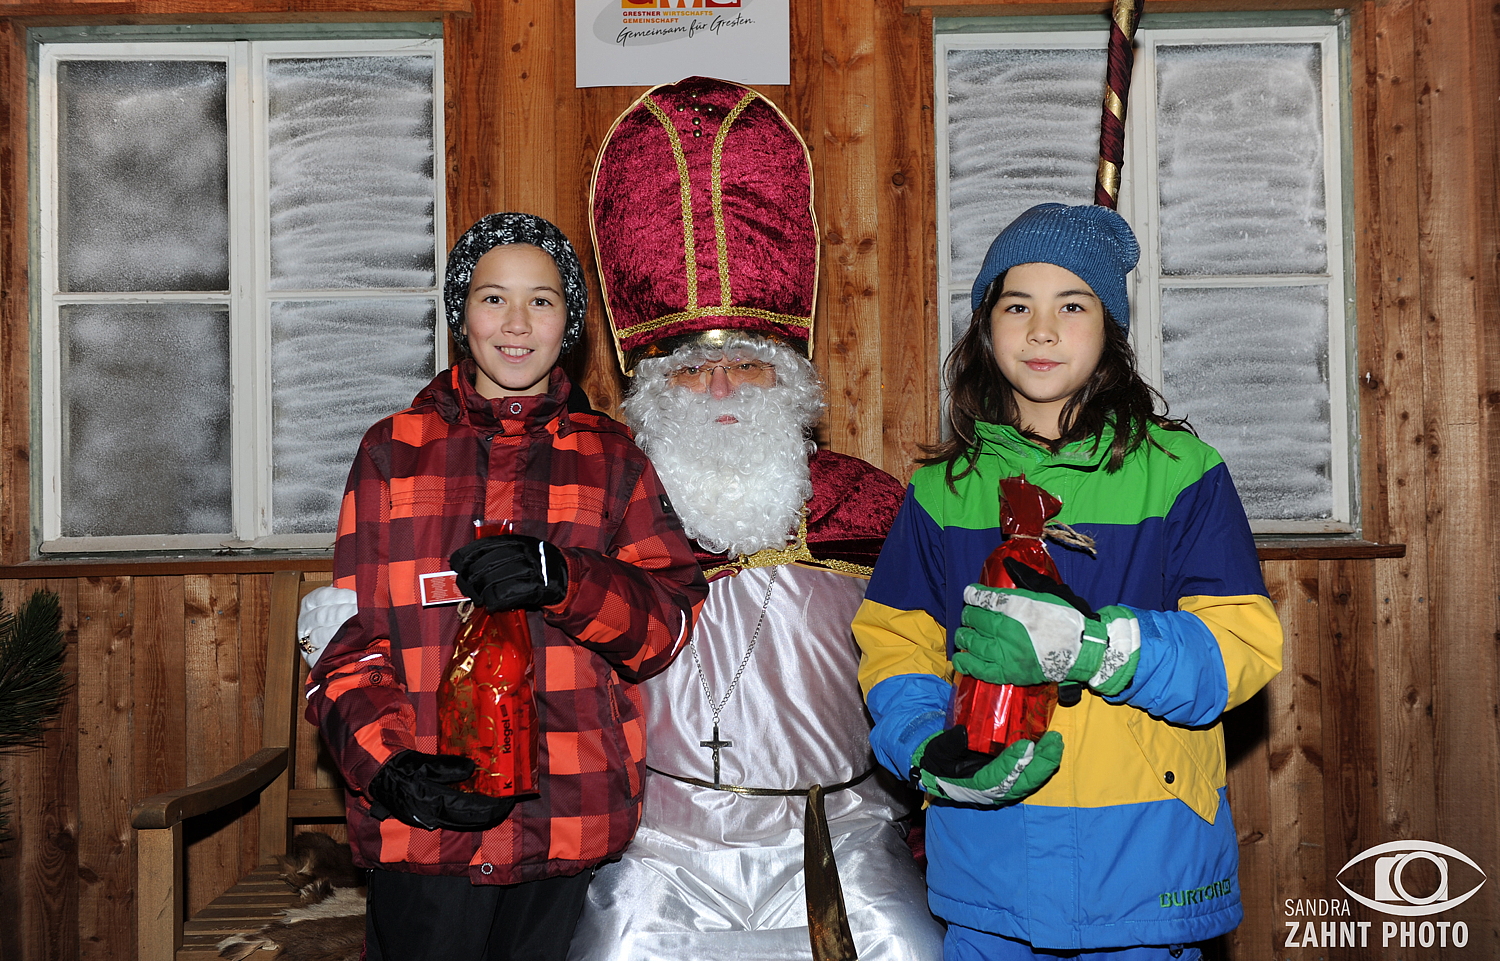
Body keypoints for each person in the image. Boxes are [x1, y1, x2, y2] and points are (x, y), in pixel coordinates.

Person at [565, 76, 945, 961]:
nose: (721, 388)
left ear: (791, 382)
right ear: (654, 394)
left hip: (837, 833)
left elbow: (939, 656)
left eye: (748, 364)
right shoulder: (607, 508)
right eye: (692, 371)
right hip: (658, 843)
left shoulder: (865, 506)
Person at [851, 203, 1284, 961]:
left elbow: (1241, 647)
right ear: (986, 327)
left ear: (1110, 328)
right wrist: (927, 747)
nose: (1042, 331)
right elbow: (896, 646)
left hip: (1145, 869)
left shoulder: (1181, 475)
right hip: (991, 872)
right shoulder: (942, 494)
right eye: (1017, 306)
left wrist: (1096, 649)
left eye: (1073, 306)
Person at [302, 212, 707, 961]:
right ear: (461, 317)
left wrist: (568, 580)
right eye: (493, 298)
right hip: (427, 829)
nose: (516, 323)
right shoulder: (393, 451)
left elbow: (666, 627)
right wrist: (388, 769)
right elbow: (346, 641)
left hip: (566, 822)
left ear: (570, 324)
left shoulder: (613, 459)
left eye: (541, 301)